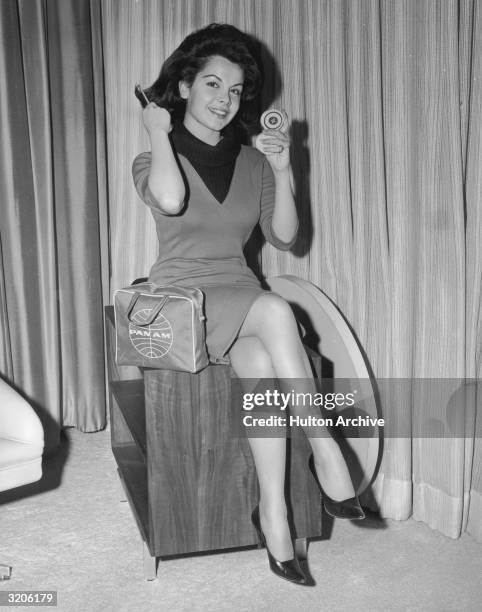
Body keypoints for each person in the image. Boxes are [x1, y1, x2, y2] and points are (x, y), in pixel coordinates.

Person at [132, 23, 365, 587]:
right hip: (183, 299)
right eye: (212, 84)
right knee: (276, 311)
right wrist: (157, 132)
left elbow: (285, 237)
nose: (224, 100)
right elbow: (169, 197)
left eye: (235, 91)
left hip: (237, 293)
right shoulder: (151, 157)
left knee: (262, 366)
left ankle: (276, 517)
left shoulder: (252, 162)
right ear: (184, 86)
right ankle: (327, 452)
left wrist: (284, 170)